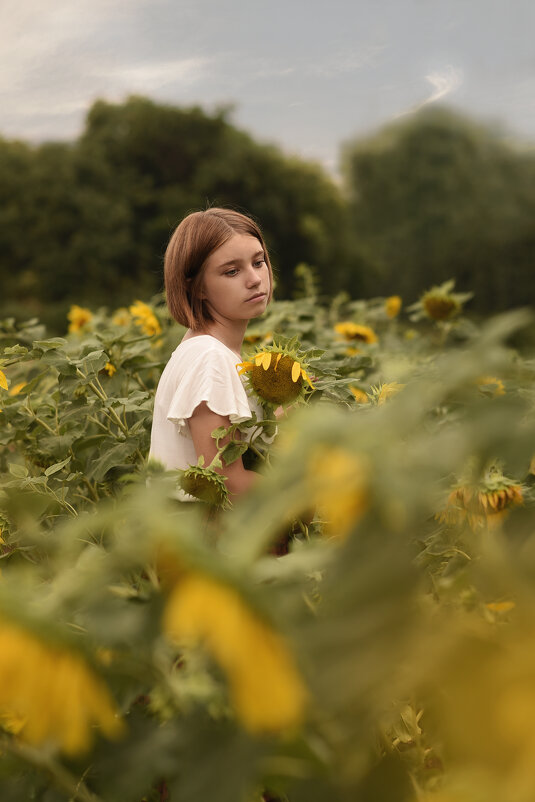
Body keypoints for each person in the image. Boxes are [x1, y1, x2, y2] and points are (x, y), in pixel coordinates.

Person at [149, 207, 275, 500]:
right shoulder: (209, 358)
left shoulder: (210, 351)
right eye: (232, 271)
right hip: (201, 537)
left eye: (258, 262)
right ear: (197, 288)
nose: (255, 279)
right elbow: (227, 484)